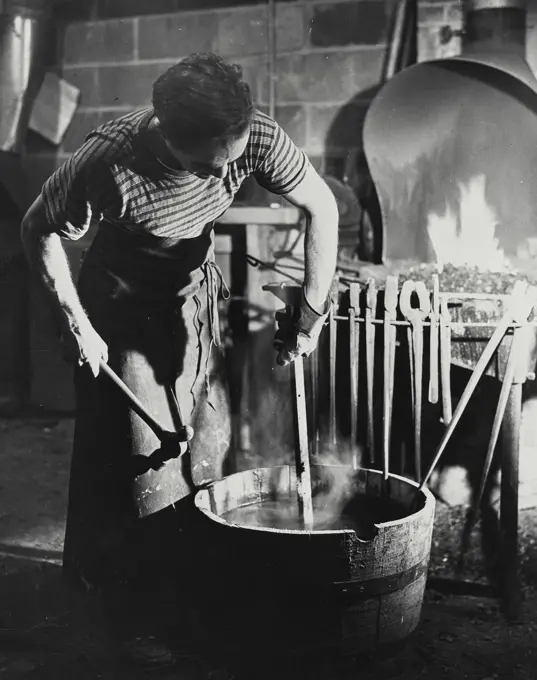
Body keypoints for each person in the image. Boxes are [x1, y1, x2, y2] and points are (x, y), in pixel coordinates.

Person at [21, 53, 338, 668]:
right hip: (117, 302)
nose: (225, 173)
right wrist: (76, 323)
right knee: (144, 458)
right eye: (207, 163)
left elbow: (320, 206)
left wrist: (312, 313)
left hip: (190, 291)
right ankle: (126, 611)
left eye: (234, 156)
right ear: (167, 133)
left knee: (208, 446)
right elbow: (39, 227)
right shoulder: (108, 158)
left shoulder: (257, 135)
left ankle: (192, 590)